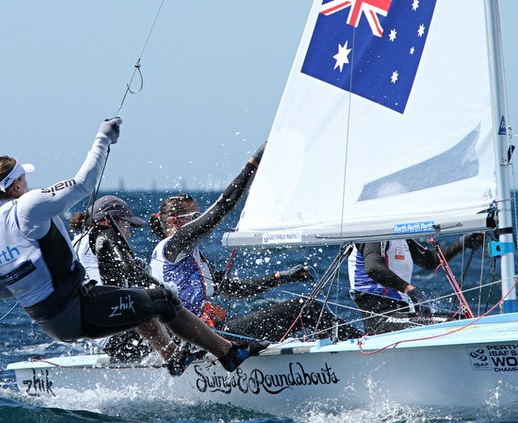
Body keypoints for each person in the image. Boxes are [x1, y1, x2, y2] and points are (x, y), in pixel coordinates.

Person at [0, 118, 261, 376]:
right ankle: (230, 354)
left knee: (136, 301)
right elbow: (83, 184)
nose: (27, 183)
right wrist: (103, 138)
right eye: (24, 178)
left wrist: (37, 285)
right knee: (164, 301)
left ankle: (173, 357)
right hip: (75, 309)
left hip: (51, 321)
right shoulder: (28, 205)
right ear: (15, 186)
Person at [149, 144, 362, 342]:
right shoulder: (174, 245)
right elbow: (224, 204)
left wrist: (280, 278)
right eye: (194, 215)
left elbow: (233, 288)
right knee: (306, 309)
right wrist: (254, 164)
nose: (200, 219)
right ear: (175, 222)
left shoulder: (181, 256)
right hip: (204, 338)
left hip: (203, 336)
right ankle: (364, 344)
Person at [70, 195, 157, 361]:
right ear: (109, 221)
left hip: (96, 330)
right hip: (115, 335)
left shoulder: (79, 240)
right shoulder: (104, 236)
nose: (128, 233)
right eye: (125, 225)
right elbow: (130, 273)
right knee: (177, 323)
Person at [347, 234, 484, 335]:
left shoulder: (400, 236)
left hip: (398, 314)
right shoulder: (376, 233)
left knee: (461, 320)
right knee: (453, 323)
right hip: (379, 318)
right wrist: (409, 289)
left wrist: (463, 242)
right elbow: (373, 268)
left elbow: (431, 261)